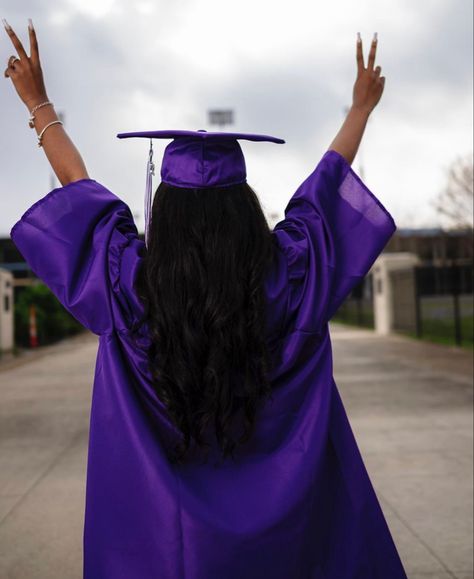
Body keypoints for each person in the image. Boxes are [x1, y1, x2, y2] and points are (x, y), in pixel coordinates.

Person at [4, 18, 408, 579]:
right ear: (245, 209)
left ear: (162, 212)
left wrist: (38, 102)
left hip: (165, 548)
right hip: (285, 549)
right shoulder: (291, 276)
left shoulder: (128, 284)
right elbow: (326, 188)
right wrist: (360, 110)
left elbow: (79, 188)